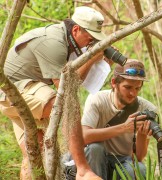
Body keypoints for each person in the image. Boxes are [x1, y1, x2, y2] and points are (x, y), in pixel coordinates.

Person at [0, 6, 108, 180]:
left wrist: (94, 59)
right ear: (76, 29)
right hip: (13, 91)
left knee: (35, 149)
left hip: (16, 95)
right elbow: (66, 89)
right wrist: (92, 58)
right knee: (67, 105)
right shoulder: (54, 43)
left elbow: (75, 79)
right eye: (91, 39)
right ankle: (82, 169)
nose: (92, 43)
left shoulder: (67, 41)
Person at [81, 59, 157, 179]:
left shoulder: (147, 108)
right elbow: (84, 136)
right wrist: (123, 128)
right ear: (113, 83)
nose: (133, 93)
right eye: (127, 87)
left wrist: (142, 135)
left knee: (140, 169)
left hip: (123, 160)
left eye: (137, 89)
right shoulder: (97, 99)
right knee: (95, 148)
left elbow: (138, 158)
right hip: (97, 158)